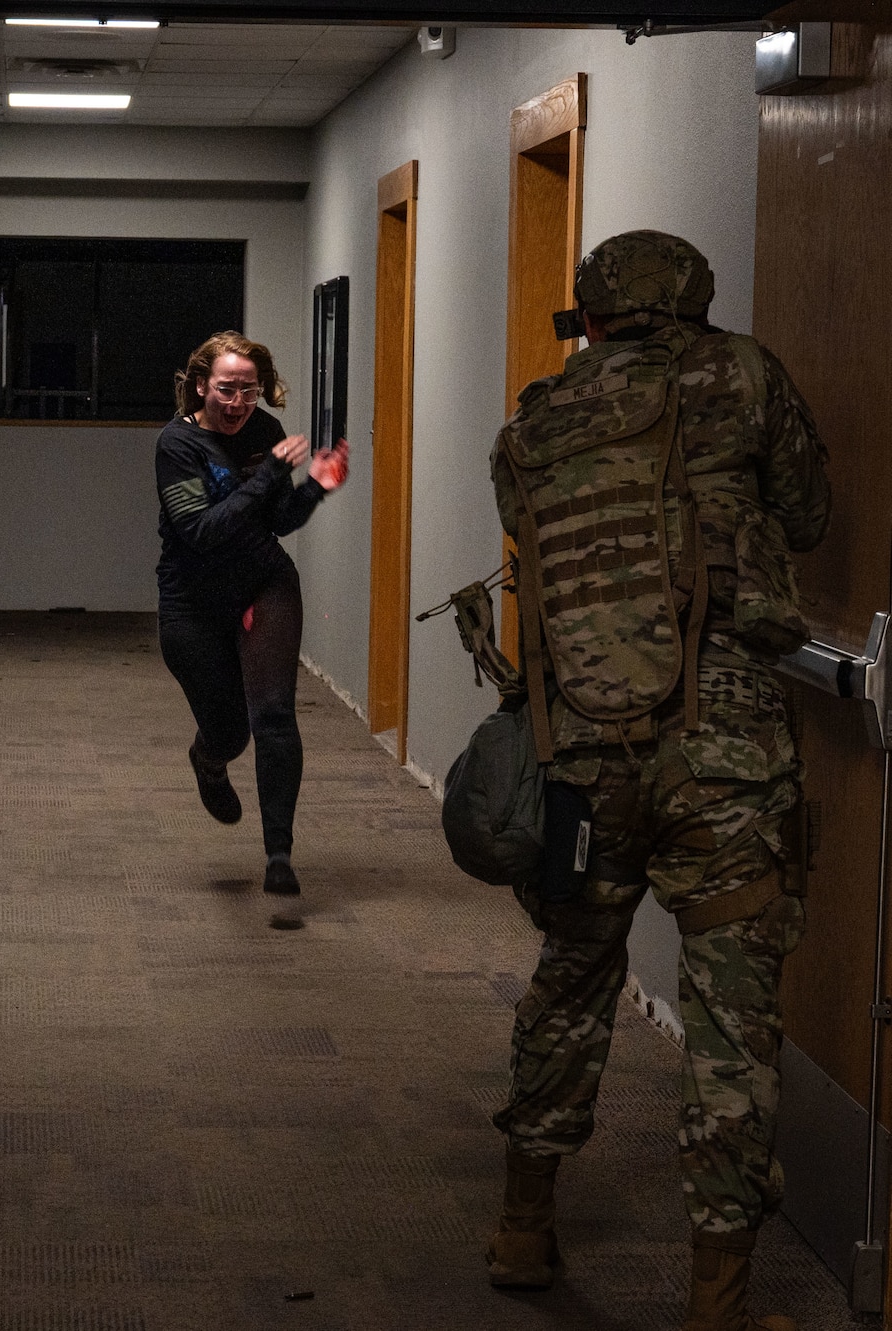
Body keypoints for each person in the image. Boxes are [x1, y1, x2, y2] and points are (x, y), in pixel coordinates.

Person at [484, 231, 827, 1331]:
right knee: (731, 1021)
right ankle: (715, 1300)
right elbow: (807, 515)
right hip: (722, 755)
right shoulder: (741, 374)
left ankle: (522, 1225)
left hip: (582, 747)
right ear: (695, 302)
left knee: (571, 975)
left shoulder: (532, 422)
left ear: (586, 315)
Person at [155, 332, 349, 896]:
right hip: (192, 598)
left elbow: (278, 519)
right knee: (230, 731)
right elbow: (201, 531)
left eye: (249, 390)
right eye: (227, 389)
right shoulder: (177, 445)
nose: (239, 402)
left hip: (263, 583)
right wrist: (265, 478)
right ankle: (208, 760)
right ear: (200, 387)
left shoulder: (265, 431)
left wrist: (314, 486)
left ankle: (280, 856)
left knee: (274, 715)